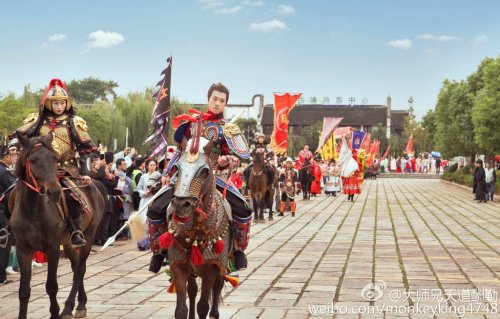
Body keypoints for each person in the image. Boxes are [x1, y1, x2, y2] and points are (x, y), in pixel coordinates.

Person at [146, 83, 252, 273]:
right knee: (155, 207)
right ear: (208, 99)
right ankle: (159, 251)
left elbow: (238, 158)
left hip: (213, 176)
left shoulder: (228, 129)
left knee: (243, 208)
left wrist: (226, 160)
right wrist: (166, 173)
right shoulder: (191, 122)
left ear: (226, 103)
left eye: (222, 100)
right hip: (185, 175)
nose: (217, 103)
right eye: (214, 99)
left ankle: (237, 250)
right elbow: (179, 152)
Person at [14, 79, 96, 247]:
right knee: (13, 191)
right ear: (49, 103)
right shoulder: (37, 120)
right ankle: (8, 229)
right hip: (39, 170)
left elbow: (87, 150)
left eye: (62, 103)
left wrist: (85, 174)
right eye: (55, 103)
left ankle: (75, 231)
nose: (59, 106)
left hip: (67, 169)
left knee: (72, 196)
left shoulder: (74, 122)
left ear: (67, 104)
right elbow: (19, 137)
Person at [0, 144, 17, 285]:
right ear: (6, 157)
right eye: (12, 155)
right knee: (3, 244)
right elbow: (12, 189)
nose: (14, 157)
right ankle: (1, 276)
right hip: (1, 212)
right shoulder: (4, 172)